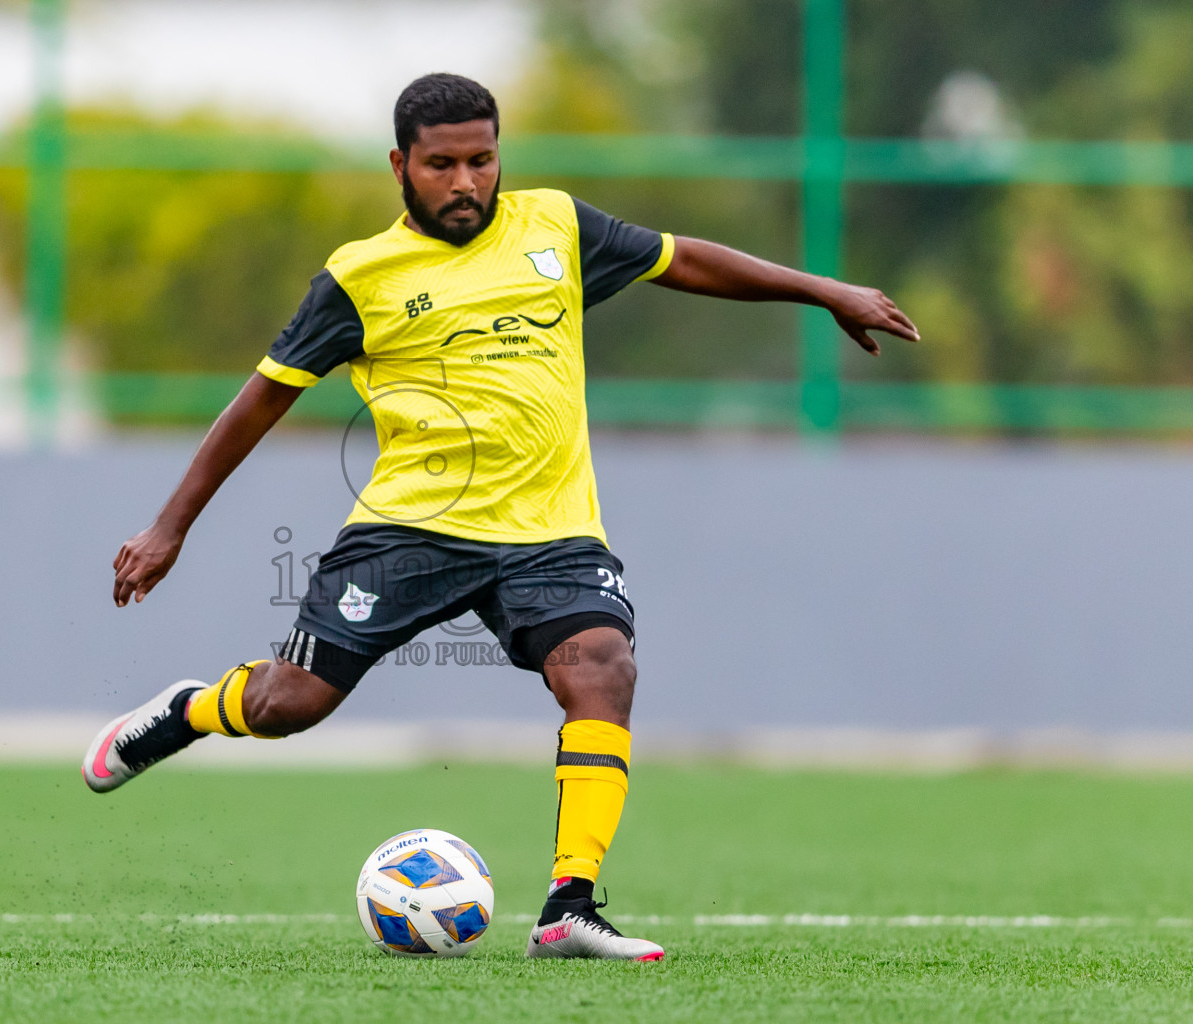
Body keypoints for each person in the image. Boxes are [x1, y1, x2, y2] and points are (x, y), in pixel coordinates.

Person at [83, 73, 919, 961]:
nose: (466, 182)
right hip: (411, 528)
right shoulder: (359, 277)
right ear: (401, 166)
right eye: (442, 165)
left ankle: (569, 906)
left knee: (602, 670)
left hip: (550, 529)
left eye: (482, 160)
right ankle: (189, 711)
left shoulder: (555, 226)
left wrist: (822, 289)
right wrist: (172, 526)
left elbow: (685, 259)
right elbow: (259, 401)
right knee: (291, 705)